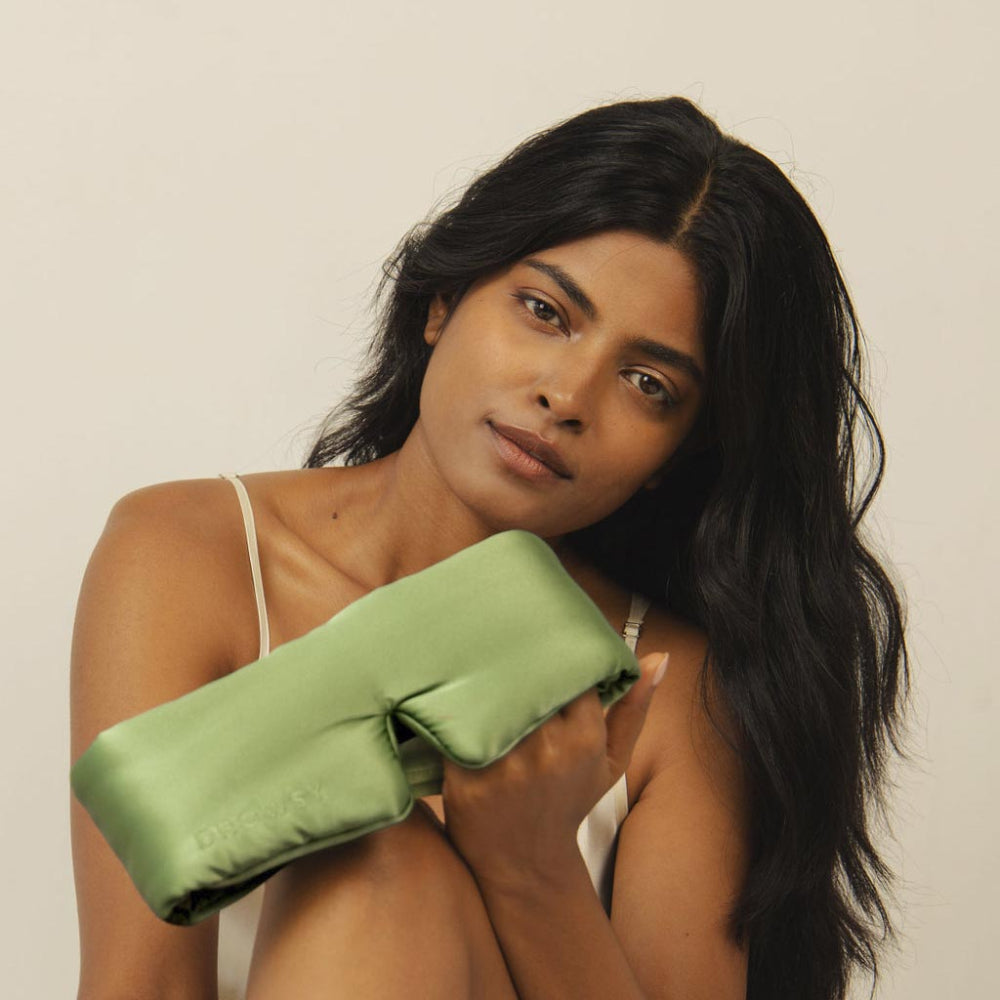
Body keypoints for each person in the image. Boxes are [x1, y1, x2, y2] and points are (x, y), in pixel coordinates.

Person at [69, 96, 907, 1000]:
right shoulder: (190, 555)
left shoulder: (671, 687)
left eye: (646, 382)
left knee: (383, 870)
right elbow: (136, 986)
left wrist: (530, 865)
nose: (567, 393)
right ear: (442, 302)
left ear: (680, 454)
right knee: (377, 864)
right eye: (546, 311)